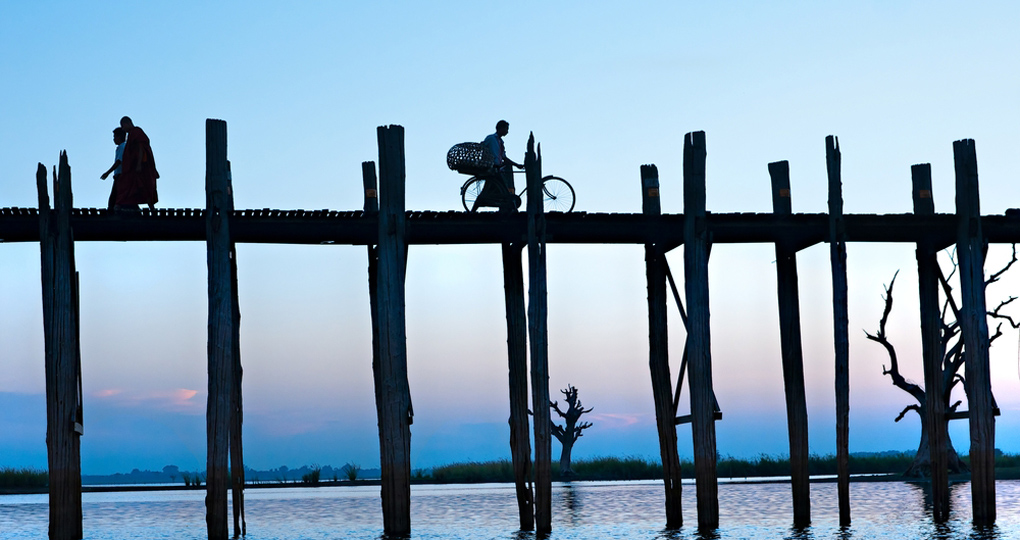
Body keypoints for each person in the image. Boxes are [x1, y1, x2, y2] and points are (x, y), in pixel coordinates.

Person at [477, 120, 523, 211]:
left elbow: (504, 157)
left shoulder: (501, 142)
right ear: (501, 128)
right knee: (504, 188)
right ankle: (512, 207)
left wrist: (517, 165)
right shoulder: (491, 138)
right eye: (506, 129)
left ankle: (476, 206)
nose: (507, 131)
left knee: (493, 188)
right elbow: (482, 147)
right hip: (492, 167)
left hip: (498, 168)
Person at [116, 116, 159, 210]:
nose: (123, 129)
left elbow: (141, 149)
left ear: (127, 123)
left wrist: (139, 164)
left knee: (144, 186)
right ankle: (127, 206)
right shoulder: (131, 134)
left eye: (123, 126)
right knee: (131, 186)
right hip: (133, 166)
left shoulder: (137, 132)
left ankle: (151, 207)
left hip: (141, 167)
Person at [100, 127, 127, 210]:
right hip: (120, 175)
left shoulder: (122, 147)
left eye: (115, 137)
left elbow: (118, 162)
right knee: (118, 196)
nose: (114, 139)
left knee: (114, 197)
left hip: (120, 175)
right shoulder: (122, 147)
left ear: (119, 137)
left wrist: (107, 173)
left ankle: (113, 211)